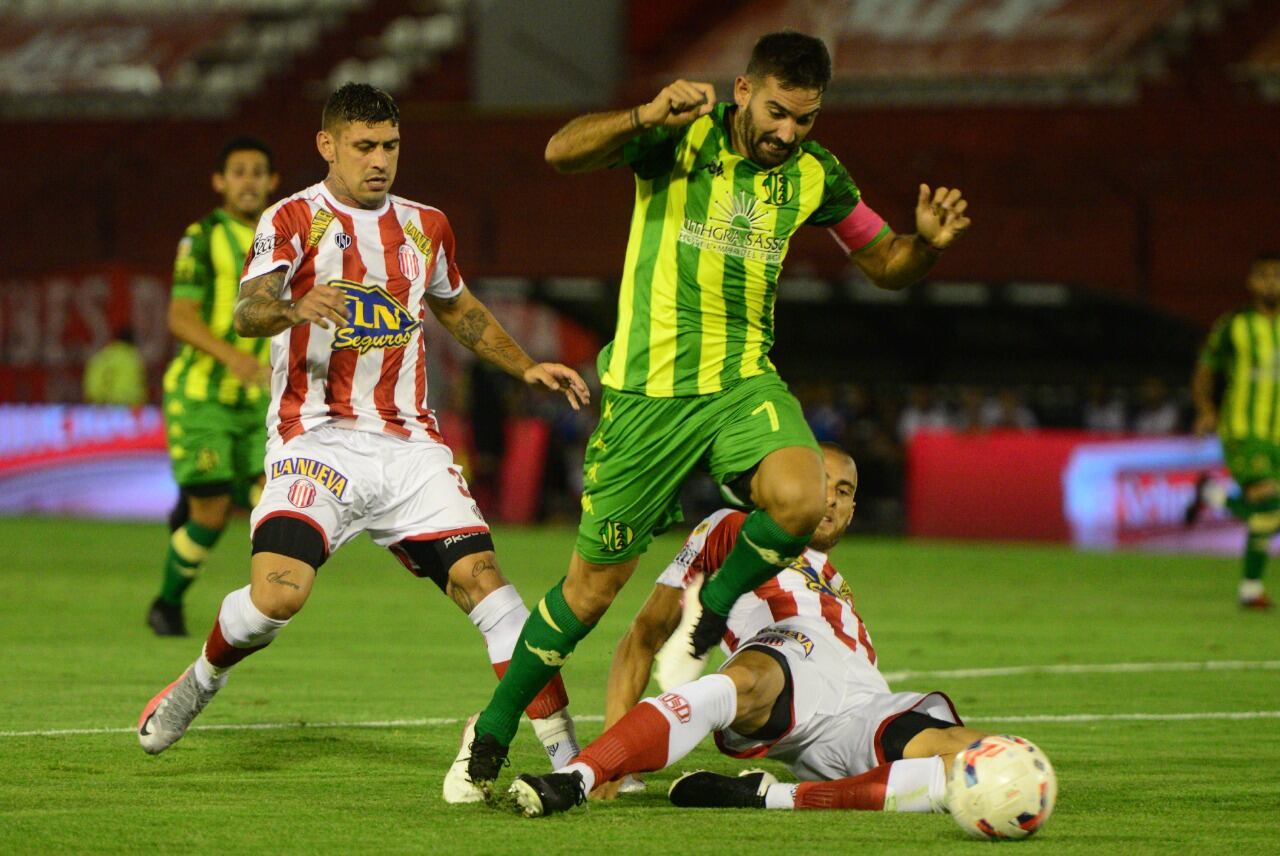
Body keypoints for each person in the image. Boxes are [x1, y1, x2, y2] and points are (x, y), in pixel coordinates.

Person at [460, 30, 971, 793]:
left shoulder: (815, 174)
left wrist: (924, 246)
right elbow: (561, 152)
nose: (788, 133)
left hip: (741, 384)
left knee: (803, 496)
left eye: (804, 118)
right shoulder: (678, 136)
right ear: (742, 90)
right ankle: (495, 729)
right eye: (776, 112)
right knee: (590, 593)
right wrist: (642, 116)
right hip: (647, 398)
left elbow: (886, 262)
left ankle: (716, 604)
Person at [135, 84, 592, 804]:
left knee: (489, 587)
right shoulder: (294, 218)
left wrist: (524, 364)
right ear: (328, 146)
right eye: (364, 147)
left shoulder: (426, 225)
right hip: (315, 439)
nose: (380, 162)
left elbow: (458, 307)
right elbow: (248, 308)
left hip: (410, 445)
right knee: (276, 599)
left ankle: (568, 755)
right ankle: (201, 680)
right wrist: (291, 304)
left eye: (390, 147)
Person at [508, 443, 996, 817]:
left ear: (851, 510)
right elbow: (643, 637)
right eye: (820, 480)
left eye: (843, 491)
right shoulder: (733, 528)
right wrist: (617, 755)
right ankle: (579, 776)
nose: (830, 498)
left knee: (991, 765)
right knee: (750, 674)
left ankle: (770, 796)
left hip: (865, 705)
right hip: (785, 661)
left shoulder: (834, 582)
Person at [147, 136, 280, 637]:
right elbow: (180, 318)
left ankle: (265, 610)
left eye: (258, 172)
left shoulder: (286, 236)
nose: (249, 181)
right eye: (239, 172)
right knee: (212, 512)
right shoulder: (201, 237)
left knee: (274, 499)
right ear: (220, 182)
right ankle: (166, 604)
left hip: (260, 401)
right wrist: (236, 360)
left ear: (272, 182)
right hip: (202, 396)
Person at [1187, 251, 1280, 609]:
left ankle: (1213, 495)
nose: (1271, 283)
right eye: (1264, 276)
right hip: (1243, 429)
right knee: (1270, 501)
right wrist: (1207, 409)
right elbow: (1206, 370)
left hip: (1277, 435)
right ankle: (1251, 589)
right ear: (1251, 282)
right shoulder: (1235, 325)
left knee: (1269, 511)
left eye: (1277, 276)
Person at [83, 327, 147, 406]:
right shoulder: (132, 357)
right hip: (125, 406)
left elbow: (91, 385)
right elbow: (138, 386)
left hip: (99, 407)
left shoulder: (100, 355)